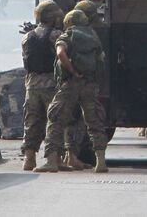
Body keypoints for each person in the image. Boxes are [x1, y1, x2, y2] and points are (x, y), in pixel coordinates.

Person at [35, 10, 109, 173]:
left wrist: (72, 70)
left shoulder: (67, 35)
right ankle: (101, 162)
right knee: (94, 122)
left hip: (70, 84)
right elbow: (101, 61)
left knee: (55, 119)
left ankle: (52, 161)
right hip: (90, 85)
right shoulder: (93, 37)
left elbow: (60, 53)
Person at [20, 0, 64, 171]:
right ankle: (53, 158)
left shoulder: (27, 37)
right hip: (51, 84)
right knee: (53, 121)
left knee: (31, 121)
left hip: (31, 85)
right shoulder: (56, 35)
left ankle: (29, 158)